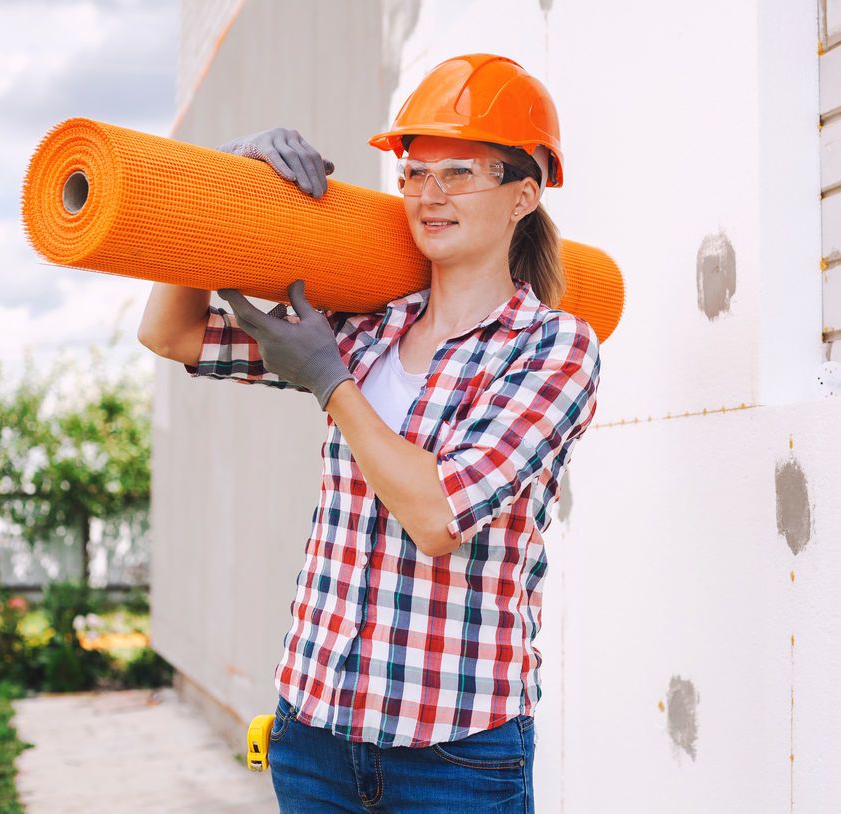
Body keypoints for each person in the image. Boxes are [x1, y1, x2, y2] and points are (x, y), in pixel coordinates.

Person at [136, 53, 601, 813]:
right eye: (414, 172)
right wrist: (221, 185)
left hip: (453, 752)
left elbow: (438, 514)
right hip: (313, 730)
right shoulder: (372, 326)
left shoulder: (552, 348)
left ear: (524, 194)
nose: (428, 194)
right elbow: (171, 331)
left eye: (458, 172)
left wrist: (331, 382)